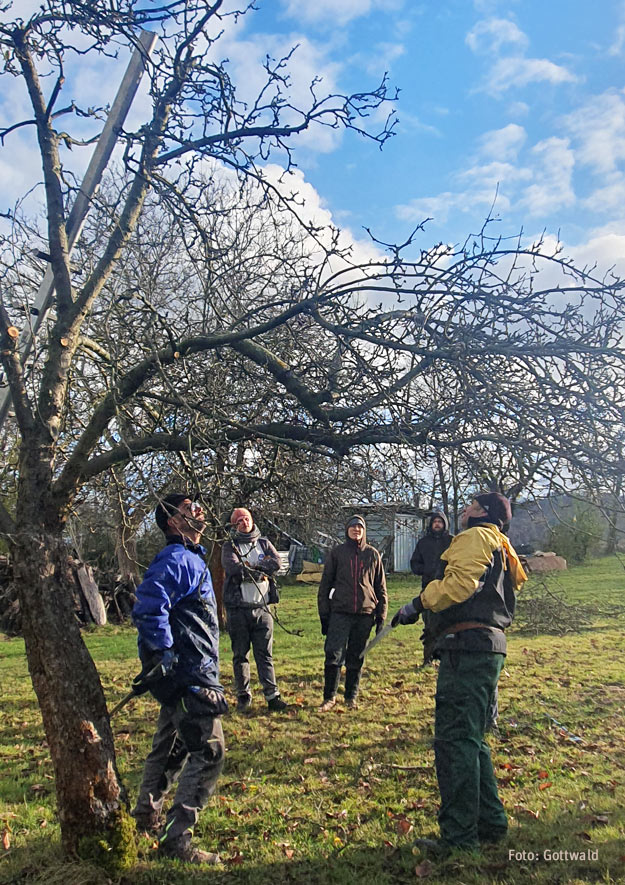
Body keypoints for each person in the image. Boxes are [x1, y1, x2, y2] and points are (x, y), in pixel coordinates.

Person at [392, 492, 527, 856]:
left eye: (469, 506)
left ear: (483, 512)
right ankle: (491, 824)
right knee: (473, 740)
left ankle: (459, 839)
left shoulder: (476, 537)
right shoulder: (502, 545)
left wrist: (417, 604)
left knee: (454, 743)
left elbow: (459, 586)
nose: (464, 511)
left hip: (467, 647)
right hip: (488, 647)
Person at [132, 493, 227, 865]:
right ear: (173, 522)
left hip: (178, 676)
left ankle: (144, 820)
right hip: (189, 674)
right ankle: (176, 840)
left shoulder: (190, 559)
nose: (199, 510)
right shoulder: (178, 559)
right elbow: (149, 604)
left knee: (169, 748)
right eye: (189, 508)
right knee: (209, 751)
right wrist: (162, 652)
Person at [317, 514, 388, 711]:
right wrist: (324, 615)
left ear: (364, 531)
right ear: (347, 530)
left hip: (365, 614)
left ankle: (351, 697)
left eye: (360, 527)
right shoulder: (337, 553)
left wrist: (381, 615)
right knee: (333, 655)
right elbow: (325, 586)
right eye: (353, 527)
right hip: (340, 612)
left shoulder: (373, 555)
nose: (357, 530)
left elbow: (381, 588)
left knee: (356, 657)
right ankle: (329, 697)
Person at [221, 507, 287, 713]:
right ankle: (243, 696)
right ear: (234, 525)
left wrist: (250, 567)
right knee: (240, 655)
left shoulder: (264, 543)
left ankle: (272, 696)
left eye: (246, 518)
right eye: (239, 520)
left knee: (265, 655)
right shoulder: (229, 546)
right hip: (238, 610)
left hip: (263, 609)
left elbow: (276, 562)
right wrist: (260, 568)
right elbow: (233, 569)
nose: (244, 522)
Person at [410, 512, 453, 663]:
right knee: (429, 626)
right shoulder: (423, 543)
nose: (437, 524)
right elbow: (414, 564)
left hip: (449, 589)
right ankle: (427, 658)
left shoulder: (452, 541)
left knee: (449, 625)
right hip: (428, 590)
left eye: (440, 522)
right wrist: (427, 570)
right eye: (434, 521)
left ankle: (447, 660)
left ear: (445, 524)